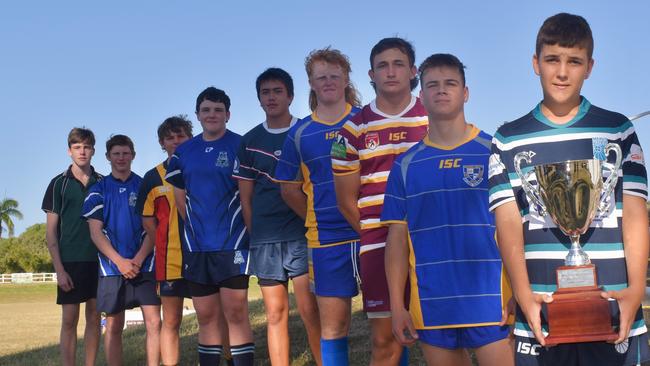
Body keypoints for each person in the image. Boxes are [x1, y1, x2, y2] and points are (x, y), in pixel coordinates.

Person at [488, 13, 650, 365]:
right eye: (552, 60)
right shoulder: (507, 140)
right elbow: (509, 224)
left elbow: (635, 216)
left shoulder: (617, 131)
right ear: (536, 63)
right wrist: (523, 292)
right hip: (541, 315)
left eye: (574, 61)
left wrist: (635, 291)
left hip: (614, 308)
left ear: (589, 66)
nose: (562, 72)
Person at [383, 53, 513, 366]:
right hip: (432, 303)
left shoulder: (494, 153)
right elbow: (397, 241)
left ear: (465, 92)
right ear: (421, 96)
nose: (442, 90)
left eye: (450, 83)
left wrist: (519, 291)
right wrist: (397, 307)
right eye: (433, 85)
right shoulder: (405, 165)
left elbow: (514, 228)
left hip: (491, 302)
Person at [331, 37, 428, 366]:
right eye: (382, 66)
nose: (391, 72)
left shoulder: (434, 115)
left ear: (413, 71)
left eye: (398, 64)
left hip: (432, 241)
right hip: (379, 243)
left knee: (442, 336)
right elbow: (347, 201)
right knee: (386, 342)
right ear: (371, 74)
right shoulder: (350, 131)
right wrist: (375, 238)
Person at [274, 47, 361, 366]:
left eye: (334, 76)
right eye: (320, 77)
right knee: (334, 329)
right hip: (326, 241)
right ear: (310, 82)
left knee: (387, 325)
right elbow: (289, 190)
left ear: (346, 79)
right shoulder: (300, 134)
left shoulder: (366, 120)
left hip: (373, 235)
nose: (328, 82)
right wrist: (316, 214)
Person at [233, 67, 321, 365]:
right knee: (274, 314)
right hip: (266, 239)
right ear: (259, 99)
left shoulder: (307, 131)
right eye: (265, 93)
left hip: (303, 234)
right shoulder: (249, 141)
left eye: (277, 91)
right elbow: (246, 197)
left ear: (290, 96)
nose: (271, 97)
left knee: (311, 311)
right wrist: (255, 233)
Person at [165, 87, 253, 366]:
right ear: (198, 115)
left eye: (218, 110)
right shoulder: (183, 153)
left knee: (236, 313)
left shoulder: (241, 145)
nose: (212, 114)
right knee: (206, 316)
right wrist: (198, 230)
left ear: (228, 114)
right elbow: (181, 201)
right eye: (206, 110)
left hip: (233, 244)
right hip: (197, 247)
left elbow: (247, 195)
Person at [82, 134, 161, 366]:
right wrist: (120, 262)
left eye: (125, 153)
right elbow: (95, 233)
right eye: (116, 153)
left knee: (154, 322)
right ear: (108, 157)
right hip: (112, 268)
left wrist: (137, 259)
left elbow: (152, 229)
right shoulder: (98, 190)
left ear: (133, 156)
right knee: (114, 325)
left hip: (144, 264)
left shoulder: (145, 186)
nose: (121, 158)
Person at [135, 116, 193, 366]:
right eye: (170, 137)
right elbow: (148, 221)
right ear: (162, 143)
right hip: (169, 260)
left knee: (213, 314)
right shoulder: (152, 177)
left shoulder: (201, 167)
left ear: (190, 137)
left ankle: (226, 358)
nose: (176, 141)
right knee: (171, 321)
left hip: (203, 254)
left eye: (180, 135)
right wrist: (162, 239)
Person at [42, 127, 102, 366]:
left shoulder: (103, 182)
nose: (82, 152)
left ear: (93, 150)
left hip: (99, 260)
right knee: (69, 319)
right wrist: (59, 269)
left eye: (86, 147)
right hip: (70, 260)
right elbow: (50, 232)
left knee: (95, 317)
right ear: (69, 151)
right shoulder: (58, 184)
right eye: (77, 147)